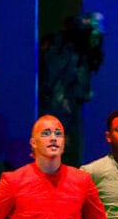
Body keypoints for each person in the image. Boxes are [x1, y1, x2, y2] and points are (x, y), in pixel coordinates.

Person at [39, 11, 105, 166]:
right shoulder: (65, 56)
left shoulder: (80, 57)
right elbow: (57, 93)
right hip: (61, 118)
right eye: (93, 35)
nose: (96, 40)